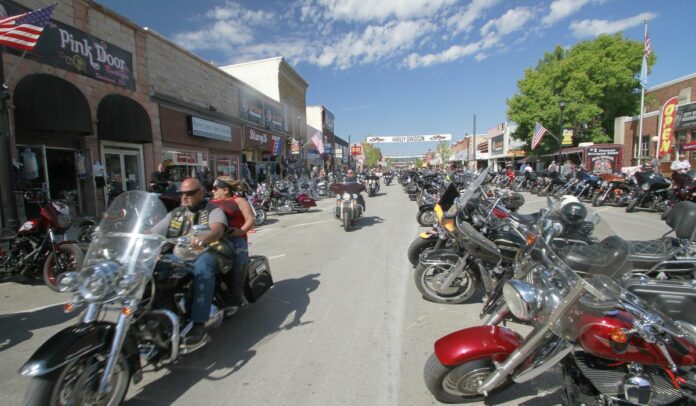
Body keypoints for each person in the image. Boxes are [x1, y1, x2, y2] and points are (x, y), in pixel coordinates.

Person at [150, 178, 233, 347]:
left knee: (203, 269)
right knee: (155, 269)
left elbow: (217, 230)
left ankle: (198, 324)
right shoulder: (176, 213)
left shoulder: (212, 210)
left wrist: (204, 238)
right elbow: (153, 232)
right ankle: (156, 315)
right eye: (182, 193)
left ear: (201, 193)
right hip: (182, 254)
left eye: (190, 193)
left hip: (211, 251)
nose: (184, 196)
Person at [210, 176, 255, 314]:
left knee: (239, 253)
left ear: (225, 190)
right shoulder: (210, 203)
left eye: (215, 189)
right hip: (214, 238)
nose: (212, 191)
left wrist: (240, 231)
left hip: (234, 238)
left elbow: (251, 219)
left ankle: (238, 294)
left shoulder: (238, 200)